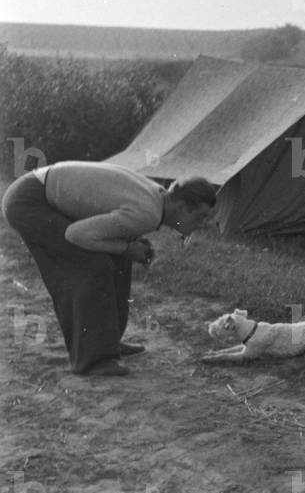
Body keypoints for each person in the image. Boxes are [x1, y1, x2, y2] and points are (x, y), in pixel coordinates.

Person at [2, 161, 216, 376]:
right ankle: (91, 360)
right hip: (28, 201)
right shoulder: (148, 213)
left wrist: (126, 249)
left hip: (37, 190)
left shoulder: (158, 198)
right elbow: (76, 235)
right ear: (180, 207)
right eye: (200, 217)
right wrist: (126, 248)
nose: (202, 224)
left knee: (116, 260)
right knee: (93, 265)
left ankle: (107, 343)